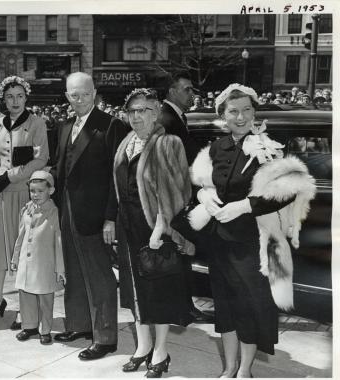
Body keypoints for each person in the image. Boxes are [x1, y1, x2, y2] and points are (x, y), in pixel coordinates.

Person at [187, 83, 314, 377]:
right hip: (220, 242)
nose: (241, 117)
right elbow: (206, 182)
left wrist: (245, 206)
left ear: (255, 112)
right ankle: (229, 367)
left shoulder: (269, 146)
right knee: (225, 306)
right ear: (223, 115)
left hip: (252, 242)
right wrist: (202, 195)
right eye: (234, 111)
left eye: (247, 110)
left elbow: (286, 191)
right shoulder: (217, 148)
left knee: (249, 307)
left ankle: (245, 370)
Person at [114, 88, 194, 378]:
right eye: (132, 111)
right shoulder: (125, 143)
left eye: (144, 110)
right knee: (136, 289)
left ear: (157, 112)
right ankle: (143, 346)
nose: (137, 116)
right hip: (128, 226)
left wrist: (162, 225)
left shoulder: (168, 143)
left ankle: (161, 351)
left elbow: (181, 189)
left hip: (156, 229)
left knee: (159, 291)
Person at [50, 71, 127, 360]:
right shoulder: (64, 126)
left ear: (94, 93)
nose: (79, 99)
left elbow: (115, 177)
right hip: (67, 208)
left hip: (95, 213)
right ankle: (80, 324)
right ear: (66, 96)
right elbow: (61, 167)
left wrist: (110, 218)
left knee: (99, 275)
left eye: (84, 93)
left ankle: (105, 337)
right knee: (74, 269)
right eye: (73, 94)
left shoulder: (110, 126)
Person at [0, 76, 49, 328]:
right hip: (0, 196)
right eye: (10, 96)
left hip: (25, 194)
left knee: (24, 251)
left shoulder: (37, 123)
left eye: (20, 95)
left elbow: (41, 160)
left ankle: (25, 308)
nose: (15, 101)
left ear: (26, 97)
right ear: (3, 99)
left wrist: (9, 177)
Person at [156, 70, 213, 323]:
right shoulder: (167, 120)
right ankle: (180, 307)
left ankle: (183, 304)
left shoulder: (177, 118)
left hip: (182, 197)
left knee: (182, 253)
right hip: (174, 199)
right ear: (172, 91)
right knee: (177, 253)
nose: (192, 94)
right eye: (187, 89)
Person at [10, 170, 65, 345]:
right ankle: (29, 326)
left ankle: (45, 329)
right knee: (25, 294)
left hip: (45, 264)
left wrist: (60, 267)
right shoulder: (26, 210)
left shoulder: (54, 212)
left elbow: (58, 241)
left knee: (45, 298)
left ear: (51, 190)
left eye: (40, 191)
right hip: (26, 263)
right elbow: (21, 235)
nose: (35, 195)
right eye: (33, 191)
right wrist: (15, 257)